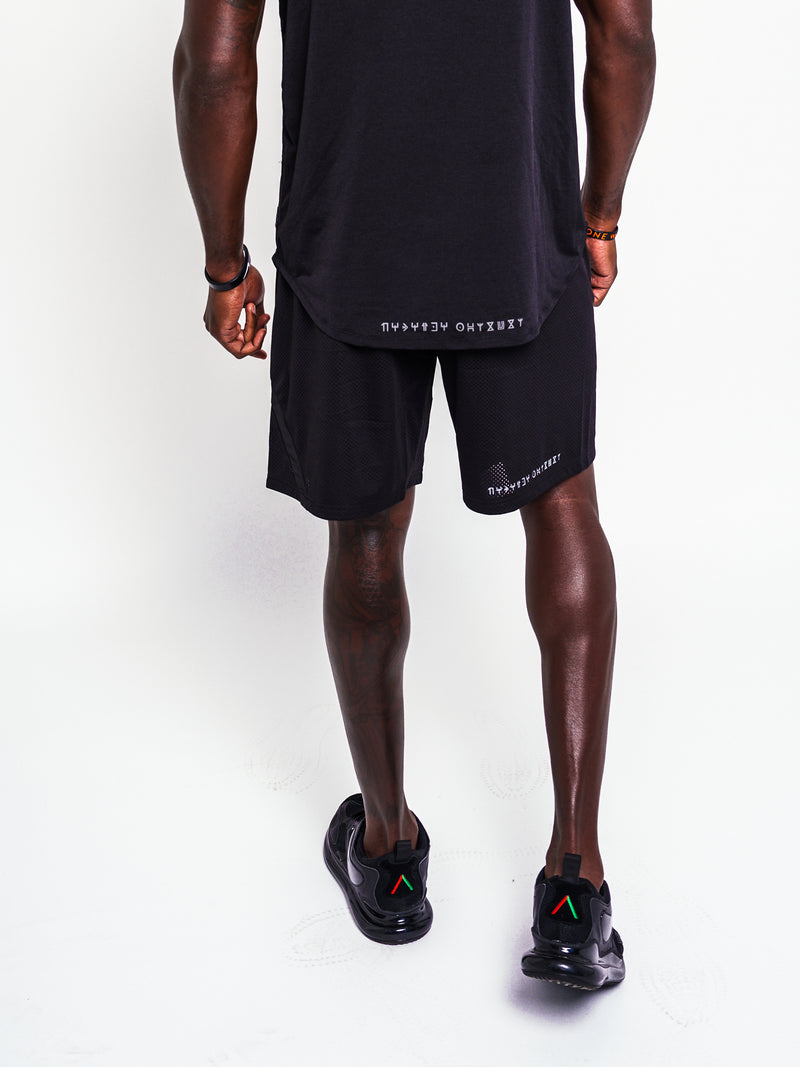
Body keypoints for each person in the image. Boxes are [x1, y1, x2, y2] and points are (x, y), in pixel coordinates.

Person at [174, 0, 655, 990]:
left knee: (365, 533)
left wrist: (226, 267)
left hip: (345, 242)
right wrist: (597, 215)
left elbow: (215, 64)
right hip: (517, 231)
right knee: (563, 508)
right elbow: (624, 38)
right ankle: (574, 882)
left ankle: (389, 853)